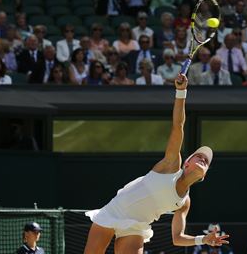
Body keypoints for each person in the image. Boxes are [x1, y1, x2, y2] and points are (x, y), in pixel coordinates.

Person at [84, 75, 229, 253]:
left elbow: (178, 238)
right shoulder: (171, 165)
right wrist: (181, 91)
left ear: (204, 175)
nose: (202, 159)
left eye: (206, 161)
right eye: (198, 157)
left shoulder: (184, 203)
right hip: (115, 211)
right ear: (187, 163)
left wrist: (203, 239)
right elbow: (178, 125)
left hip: (136, 227)